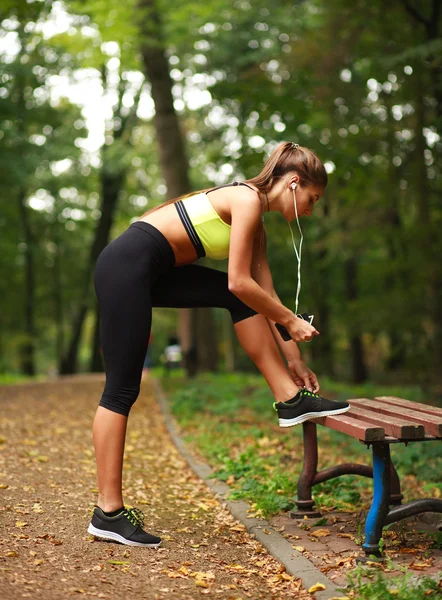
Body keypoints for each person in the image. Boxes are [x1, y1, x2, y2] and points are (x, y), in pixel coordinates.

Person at [88, 141, 350, 548]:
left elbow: (264, 292)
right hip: (125, 264)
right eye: (312, 200)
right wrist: (291, 321)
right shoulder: (245, 198)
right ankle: (108, 513)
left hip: (151, 268)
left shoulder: (255, 223)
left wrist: (295, 358)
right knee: (121, 389)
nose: (311, 211)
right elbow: (238, 281)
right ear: (294, 183)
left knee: (236, 299)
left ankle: (289, 397)